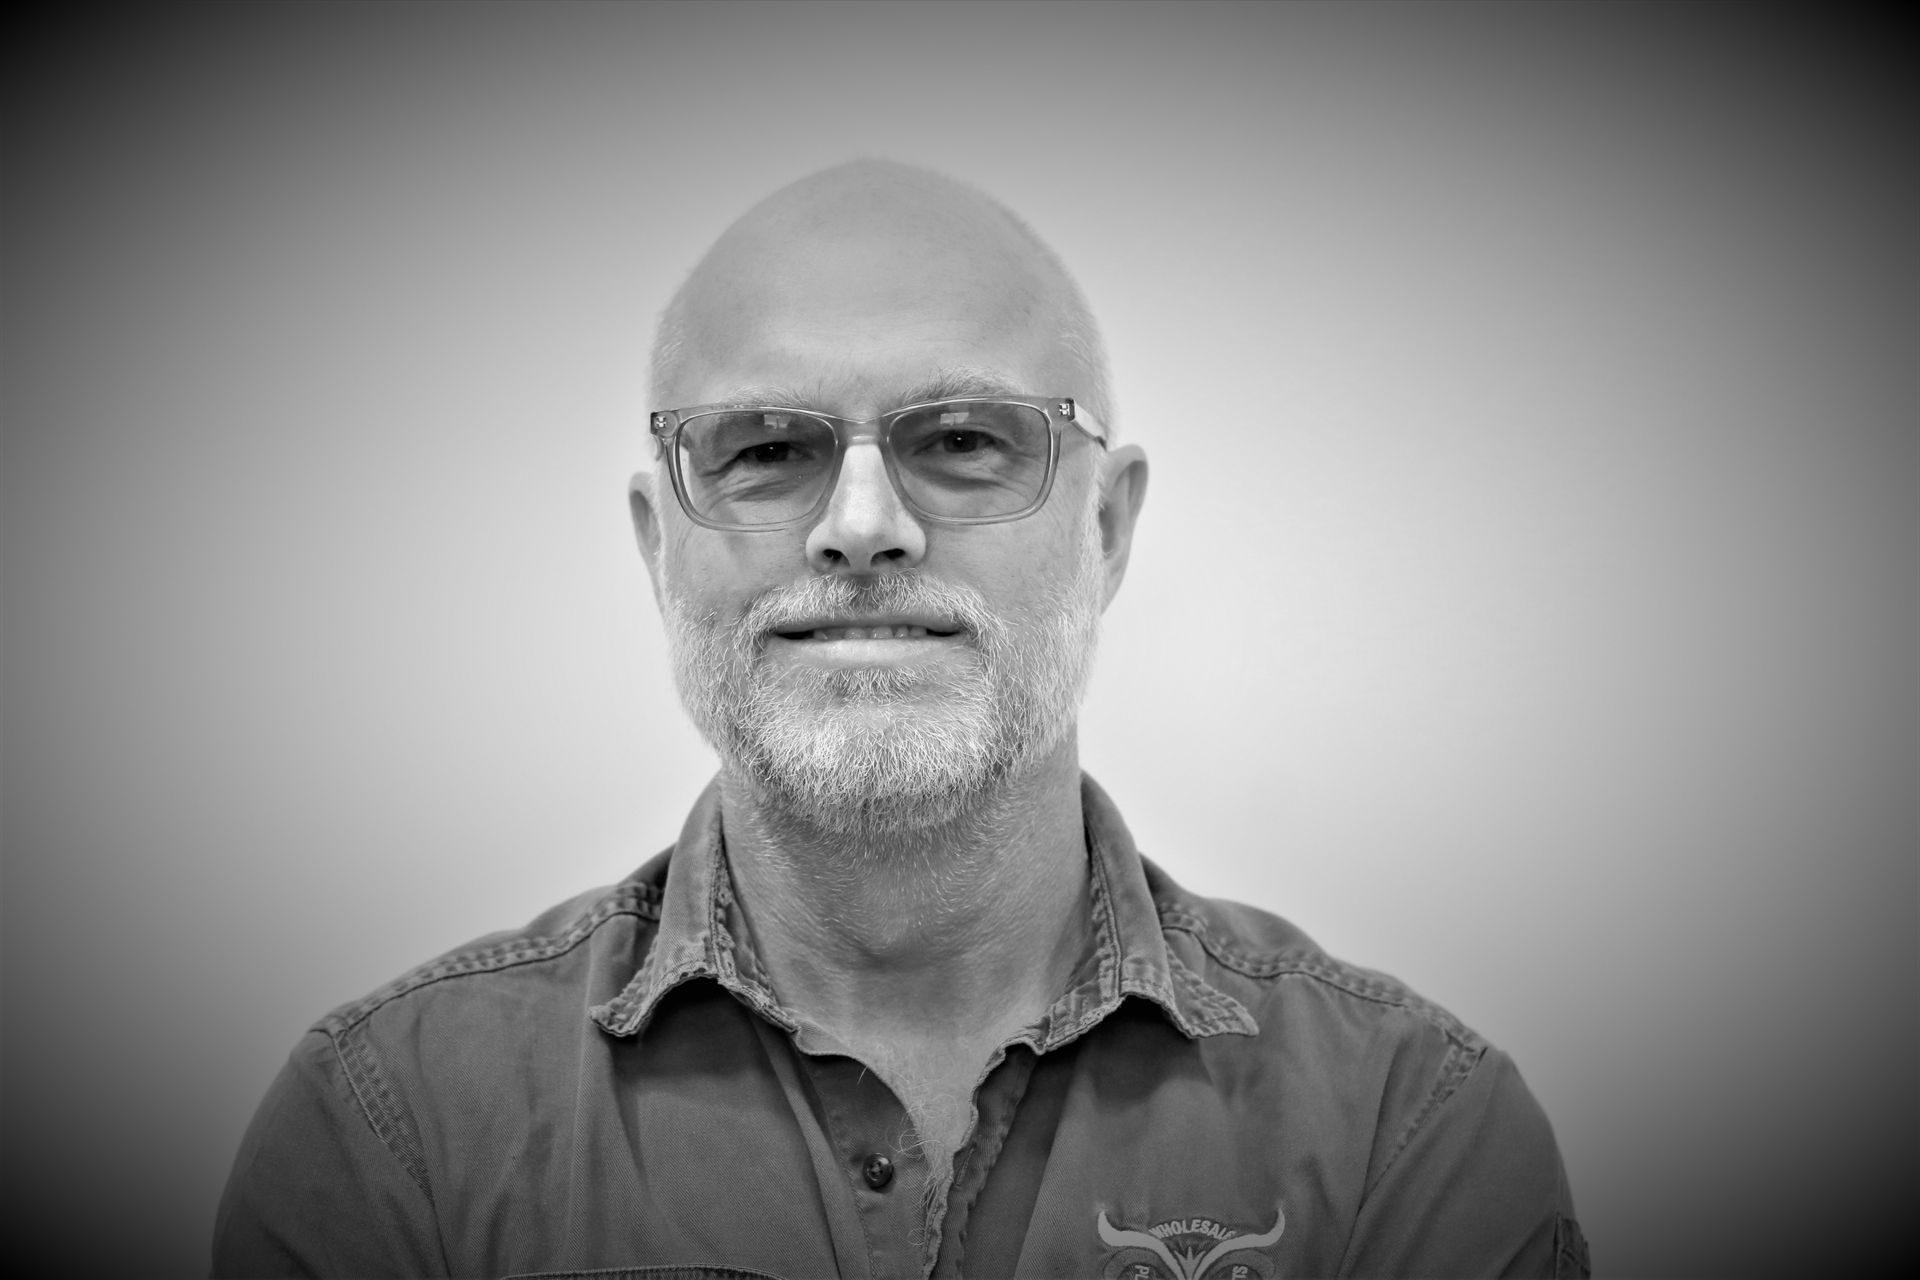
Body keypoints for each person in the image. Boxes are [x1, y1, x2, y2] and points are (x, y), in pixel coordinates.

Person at [213, 159, 1588, 1280]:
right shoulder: (397, 1135)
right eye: (765, 449)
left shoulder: (1405, 1131)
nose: (863, 526)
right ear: (655, 544)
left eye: (965, 440)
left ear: (1108, 528)